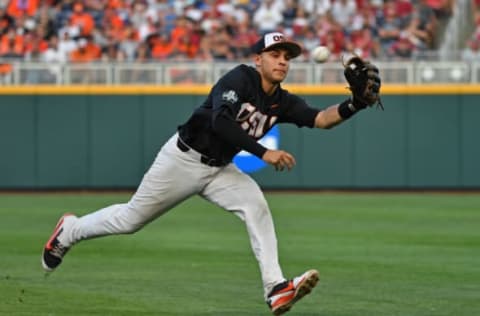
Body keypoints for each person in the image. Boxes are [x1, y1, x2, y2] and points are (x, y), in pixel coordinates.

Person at [42, 32, 380, 315]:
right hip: (183, 159)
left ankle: (275, 288)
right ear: (258, 59)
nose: (281, 61)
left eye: (287, 57)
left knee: (256, 207)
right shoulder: (239, 79)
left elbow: (321, 119)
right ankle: (69, 231)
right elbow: (221, 122)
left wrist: (356, 104)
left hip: (220, 170)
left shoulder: (283, 101)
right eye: (274, 54)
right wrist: (264, 152)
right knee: (129, 220)